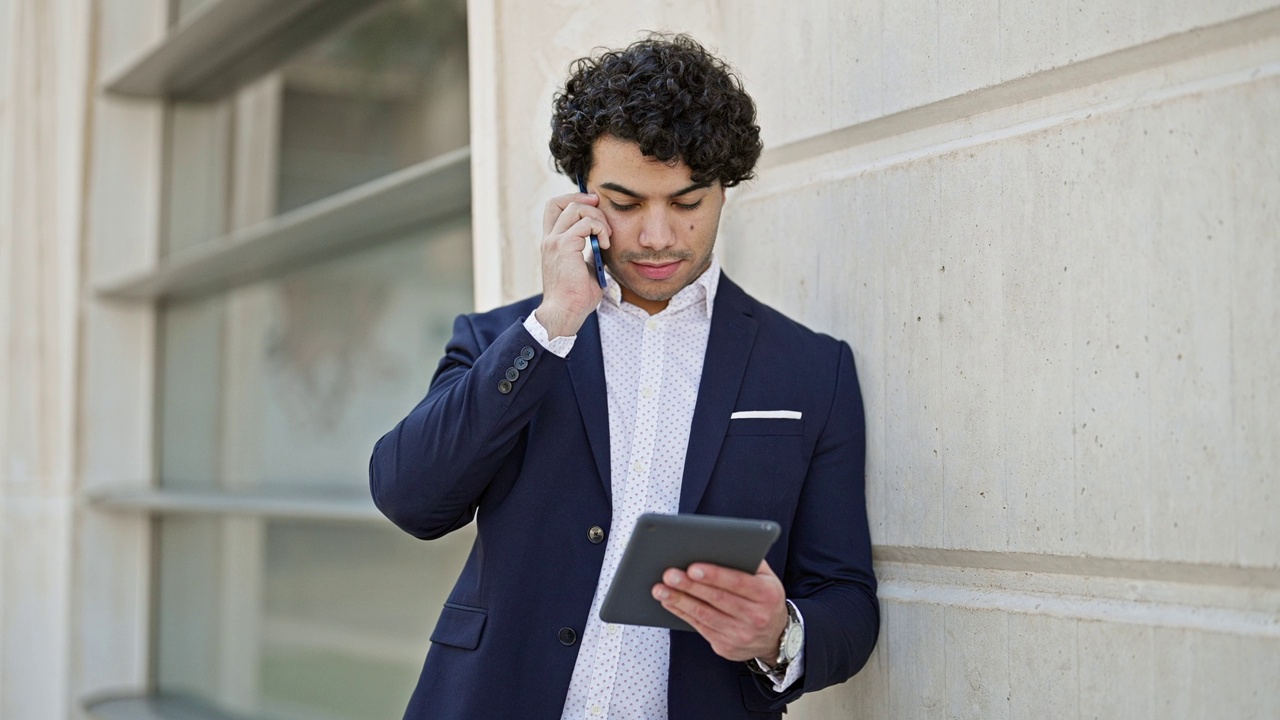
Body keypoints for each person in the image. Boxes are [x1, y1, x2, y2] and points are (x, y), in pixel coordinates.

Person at [369, 33, 878, 720]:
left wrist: (779, 633)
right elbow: (410, 498)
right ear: (582, 195)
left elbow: (847, 598)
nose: (658, 235)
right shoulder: (505, 343)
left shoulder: (813, 370)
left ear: (725, 189)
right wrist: (553, 324)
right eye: (626, 203)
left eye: (687, 202)